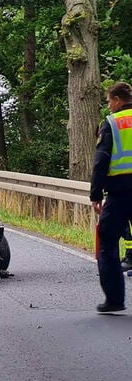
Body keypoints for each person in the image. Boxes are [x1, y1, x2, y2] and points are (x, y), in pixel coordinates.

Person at [90, 81, 132, 312]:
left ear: (116, 100)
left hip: (119, 194)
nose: (109, 105)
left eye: (109, 101)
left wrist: (95, 193)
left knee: (107, 244)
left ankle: (115, 300)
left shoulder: (112, 123)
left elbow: (101, 159)